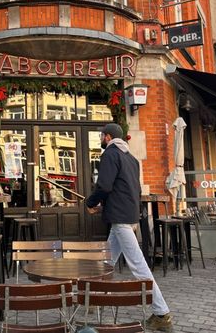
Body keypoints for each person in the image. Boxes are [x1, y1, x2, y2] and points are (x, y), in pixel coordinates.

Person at [85, 123, 174, 332]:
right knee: (107, 260)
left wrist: (91, 203)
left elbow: (105, 186)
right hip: (127, 214)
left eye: (101, 136)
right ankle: (95, 298)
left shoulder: (110, 154)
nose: (101, 139)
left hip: (120, 217)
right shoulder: (131, 159)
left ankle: (162, 313)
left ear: (107, 137)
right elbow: (129, 188)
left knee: (138, 265)